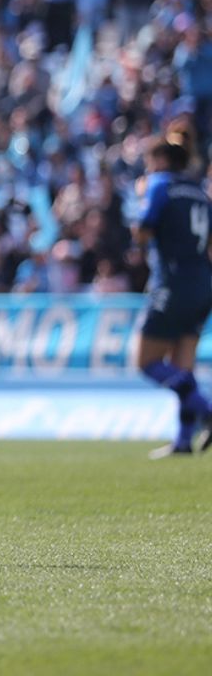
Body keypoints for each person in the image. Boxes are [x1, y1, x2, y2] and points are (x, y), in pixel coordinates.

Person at [133, 133, 212, 458]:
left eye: (149, 162)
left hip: (172, 283)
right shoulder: (201, 193)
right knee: (183, 365)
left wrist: (139, 198)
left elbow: (142, 231)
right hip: (203, 284)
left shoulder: (159, 185)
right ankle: (183, 442)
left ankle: (206, 409)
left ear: (162, 161)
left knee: (146, 361)